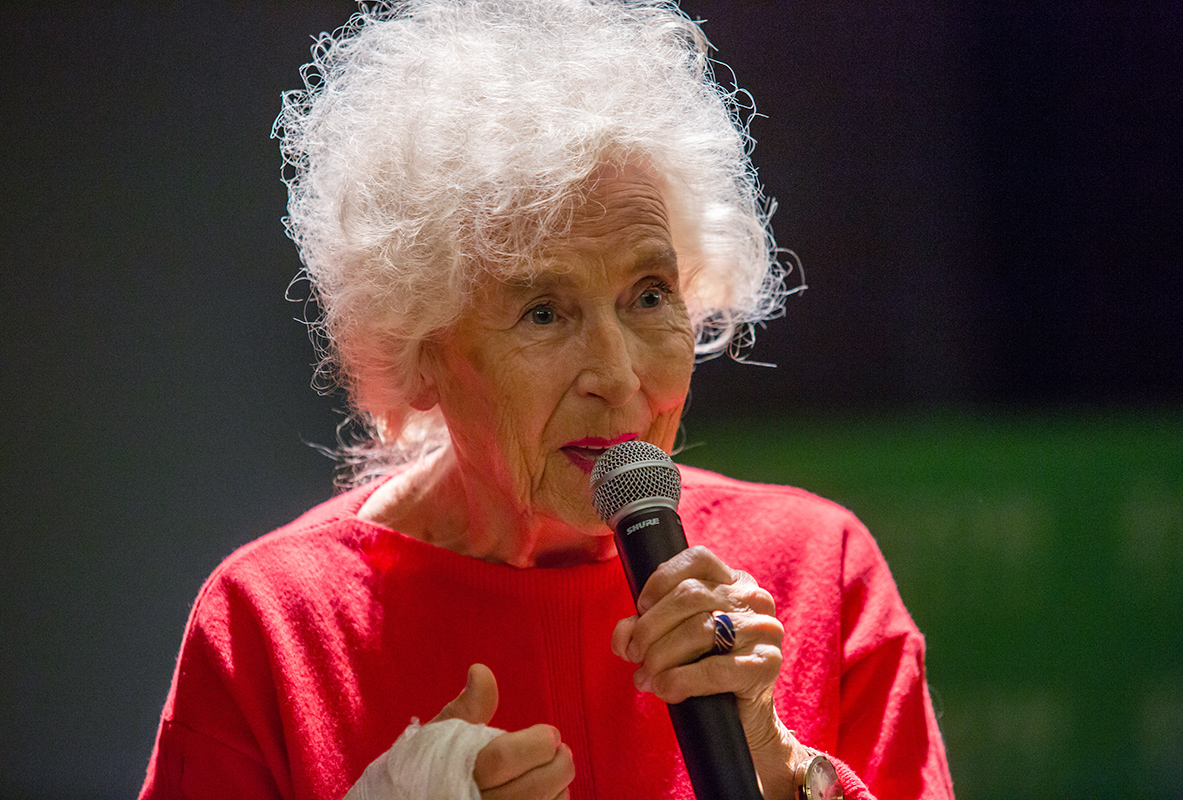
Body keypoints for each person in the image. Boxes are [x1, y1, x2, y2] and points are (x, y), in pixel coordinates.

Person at [140, 2, 953, 798]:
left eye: (648, 295)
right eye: (543, 313)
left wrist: (779, 768)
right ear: (418, 351)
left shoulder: (819, 572)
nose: (619, 376)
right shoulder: (271, 624)